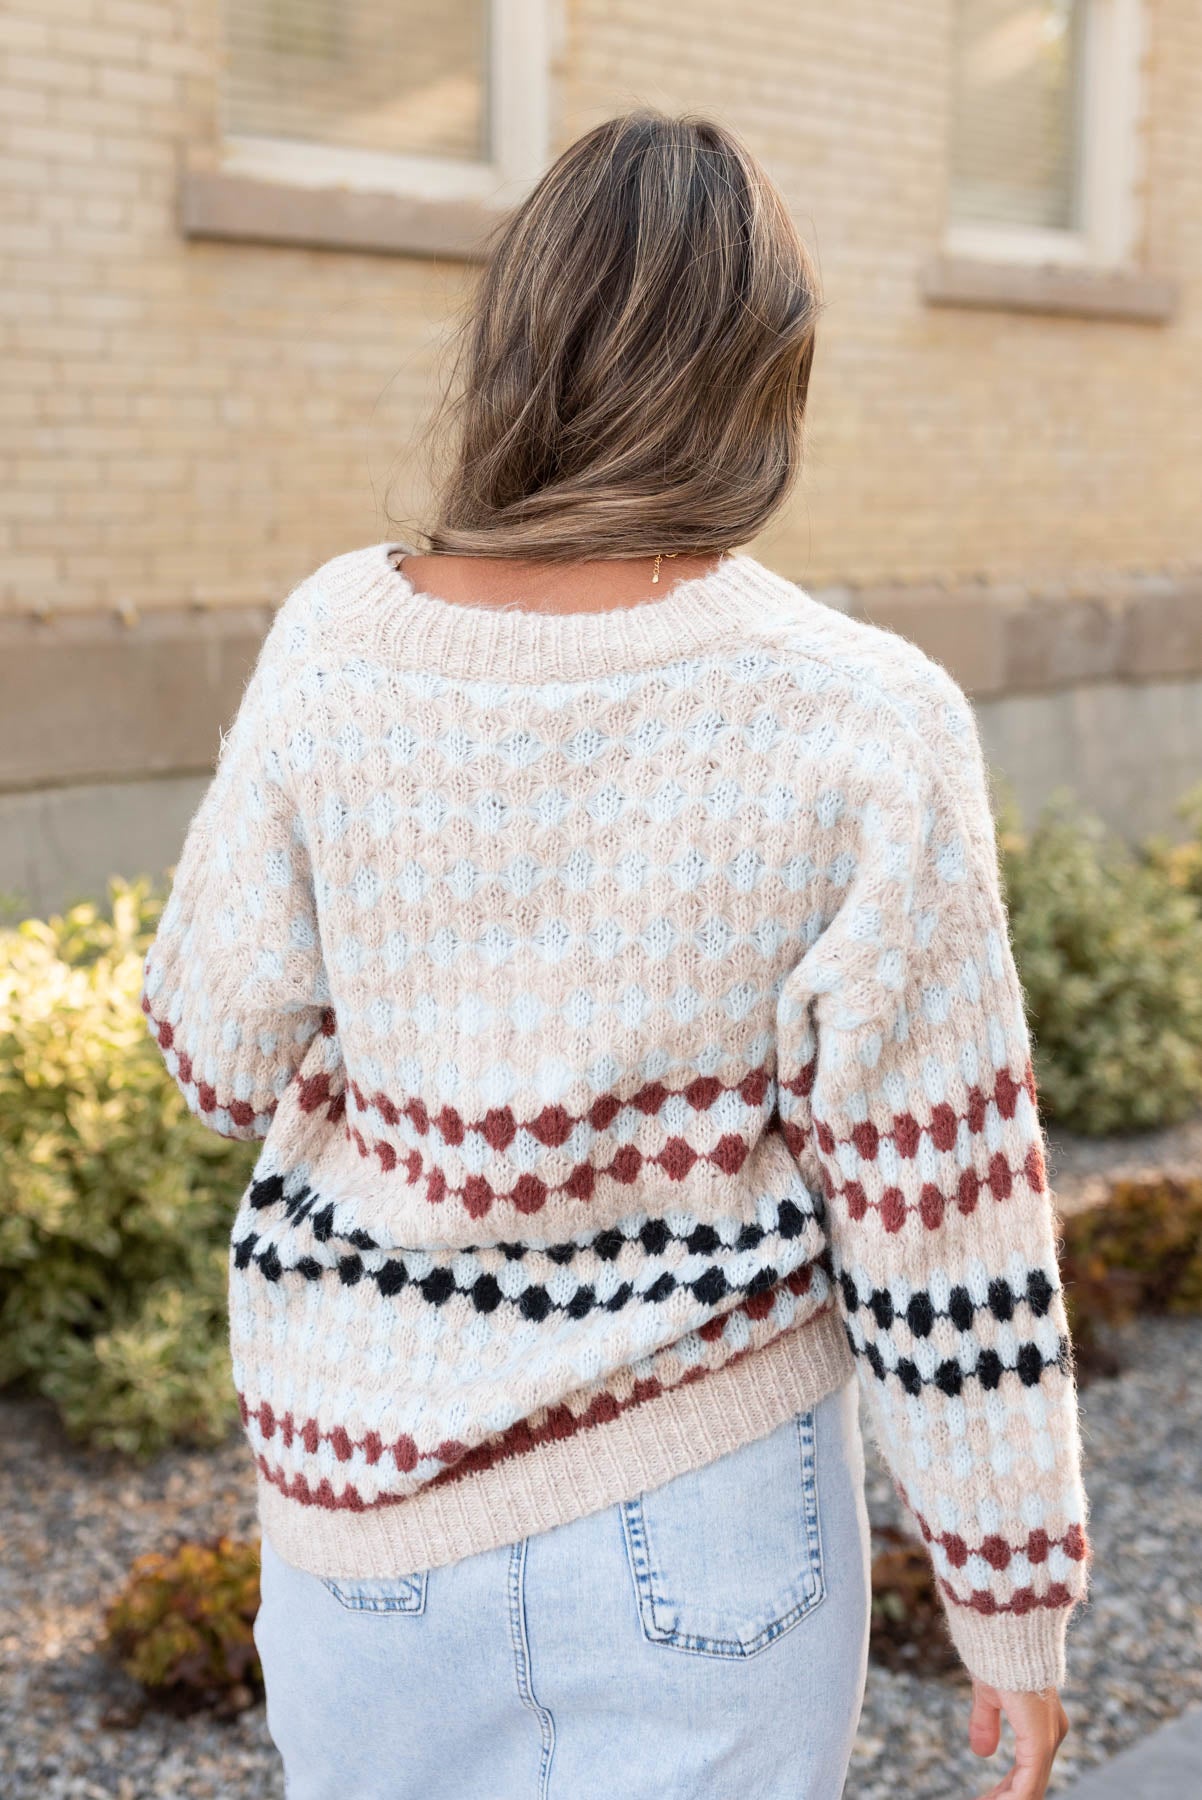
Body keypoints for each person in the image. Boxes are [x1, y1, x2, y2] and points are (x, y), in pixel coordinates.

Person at [143, 111, 1086, 1800]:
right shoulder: (863, 714)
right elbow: (938, 1208)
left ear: (513, 341)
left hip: (371, 1528)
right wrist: (1009, 1607)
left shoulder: (337, 647)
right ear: (761, 373)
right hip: (709, 1504)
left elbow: (211, 1056)